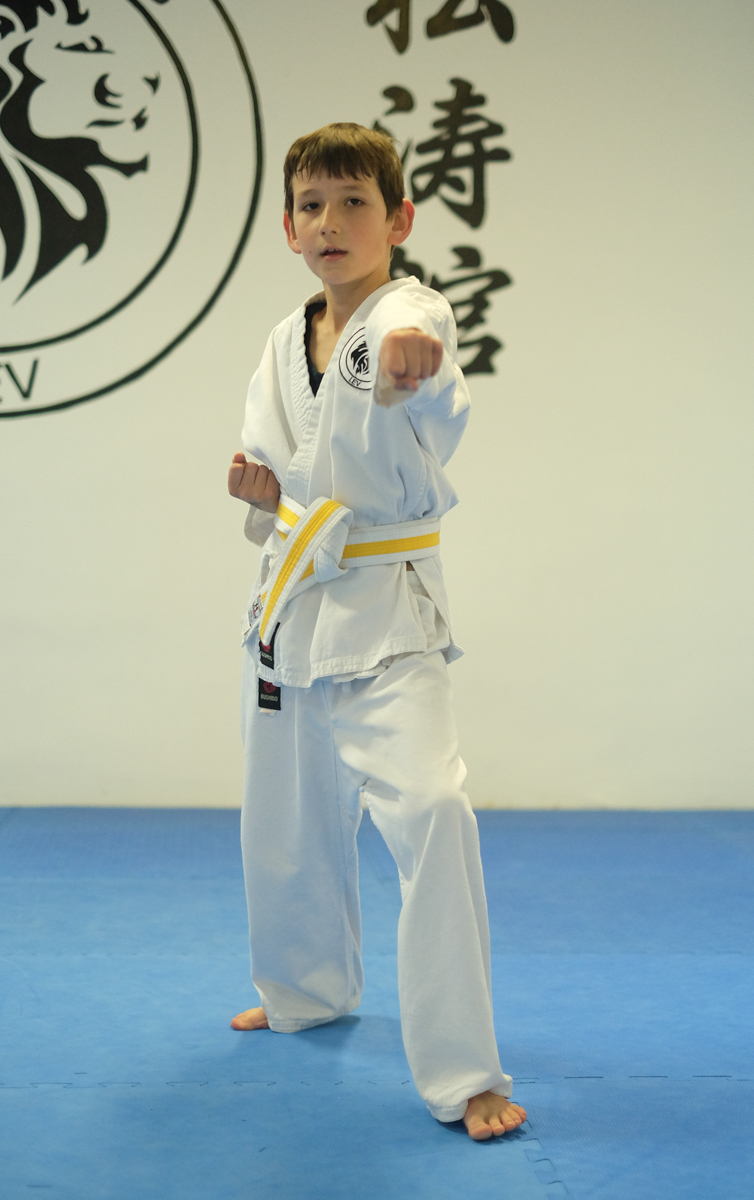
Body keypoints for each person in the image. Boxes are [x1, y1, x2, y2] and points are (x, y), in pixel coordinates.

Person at [227, 123, 526, 1142]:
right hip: (290, 607)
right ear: (288, 228)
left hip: (390, 615)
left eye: (353, 202)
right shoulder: (282, 340)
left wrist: (414, 367)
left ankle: (465, 1072)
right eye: (311, 205)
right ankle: (304, 991)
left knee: (434, 813)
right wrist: (261, 493)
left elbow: (425, 373)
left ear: (397, 220)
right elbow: (282, 472)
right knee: (286, 820)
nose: (330, 222)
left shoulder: (409, 312)